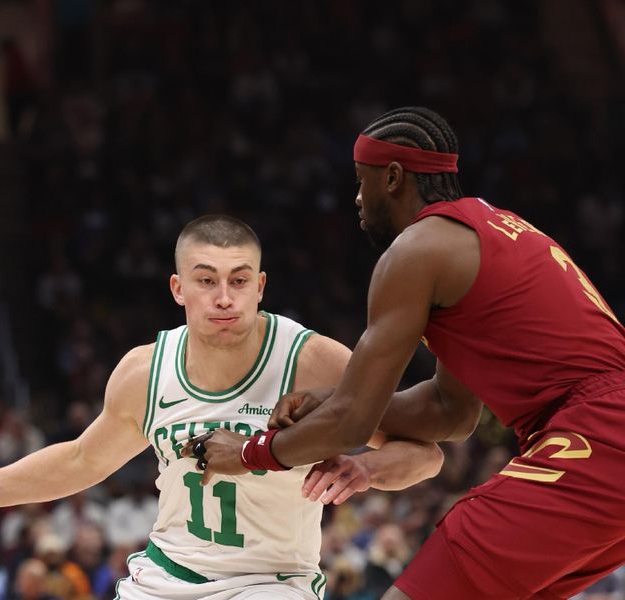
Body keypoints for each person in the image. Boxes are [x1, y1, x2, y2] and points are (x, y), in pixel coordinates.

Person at [193, 107, 625, 599]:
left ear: (393, 178)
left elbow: (353, 423)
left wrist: (248, 453)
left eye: (362, 181)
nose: (357, 198)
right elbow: (450, 413)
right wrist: (330, 398)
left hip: (597, 436)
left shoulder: (416, 250)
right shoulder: (489, 229)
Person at [0, 215, 443, 600]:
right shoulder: (146, 371)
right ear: (178, 288)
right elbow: (80, 462)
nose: (224, 297)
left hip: (270, 583)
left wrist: (365, 467)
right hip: (165, 576)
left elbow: (425, 453)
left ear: (260, 287)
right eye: (207, 280)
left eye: (239, 280)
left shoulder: (315, 361)